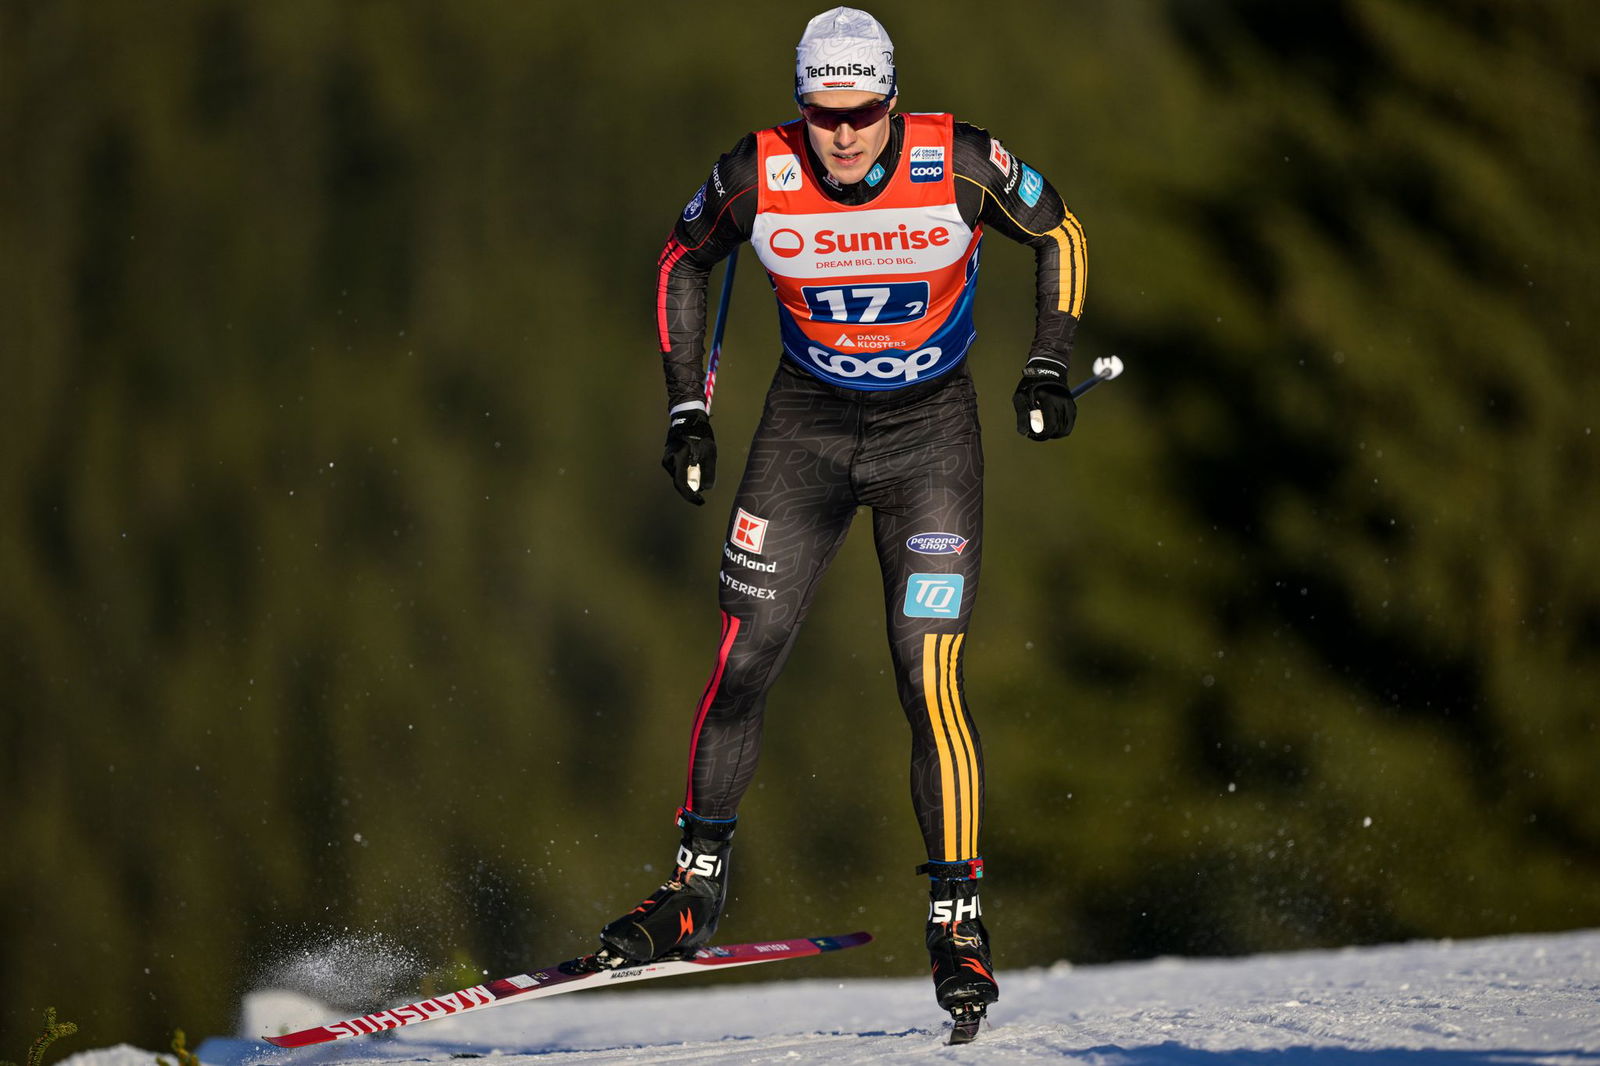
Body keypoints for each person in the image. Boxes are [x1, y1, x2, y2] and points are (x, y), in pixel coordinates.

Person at [597, 6, 1087, 1031]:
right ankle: (693, 884)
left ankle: (957, 917)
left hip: (929, 438)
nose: (845, 136)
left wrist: (1046, 358)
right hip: (805, 430)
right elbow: (682, 259)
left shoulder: (955, 163)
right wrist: (688, 406)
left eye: (863, 113)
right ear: (801, 107)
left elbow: (1061, 232)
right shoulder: (753, 175)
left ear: (891, 101)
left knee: (928, 675)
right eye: (824, 115)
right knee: (743, 658)